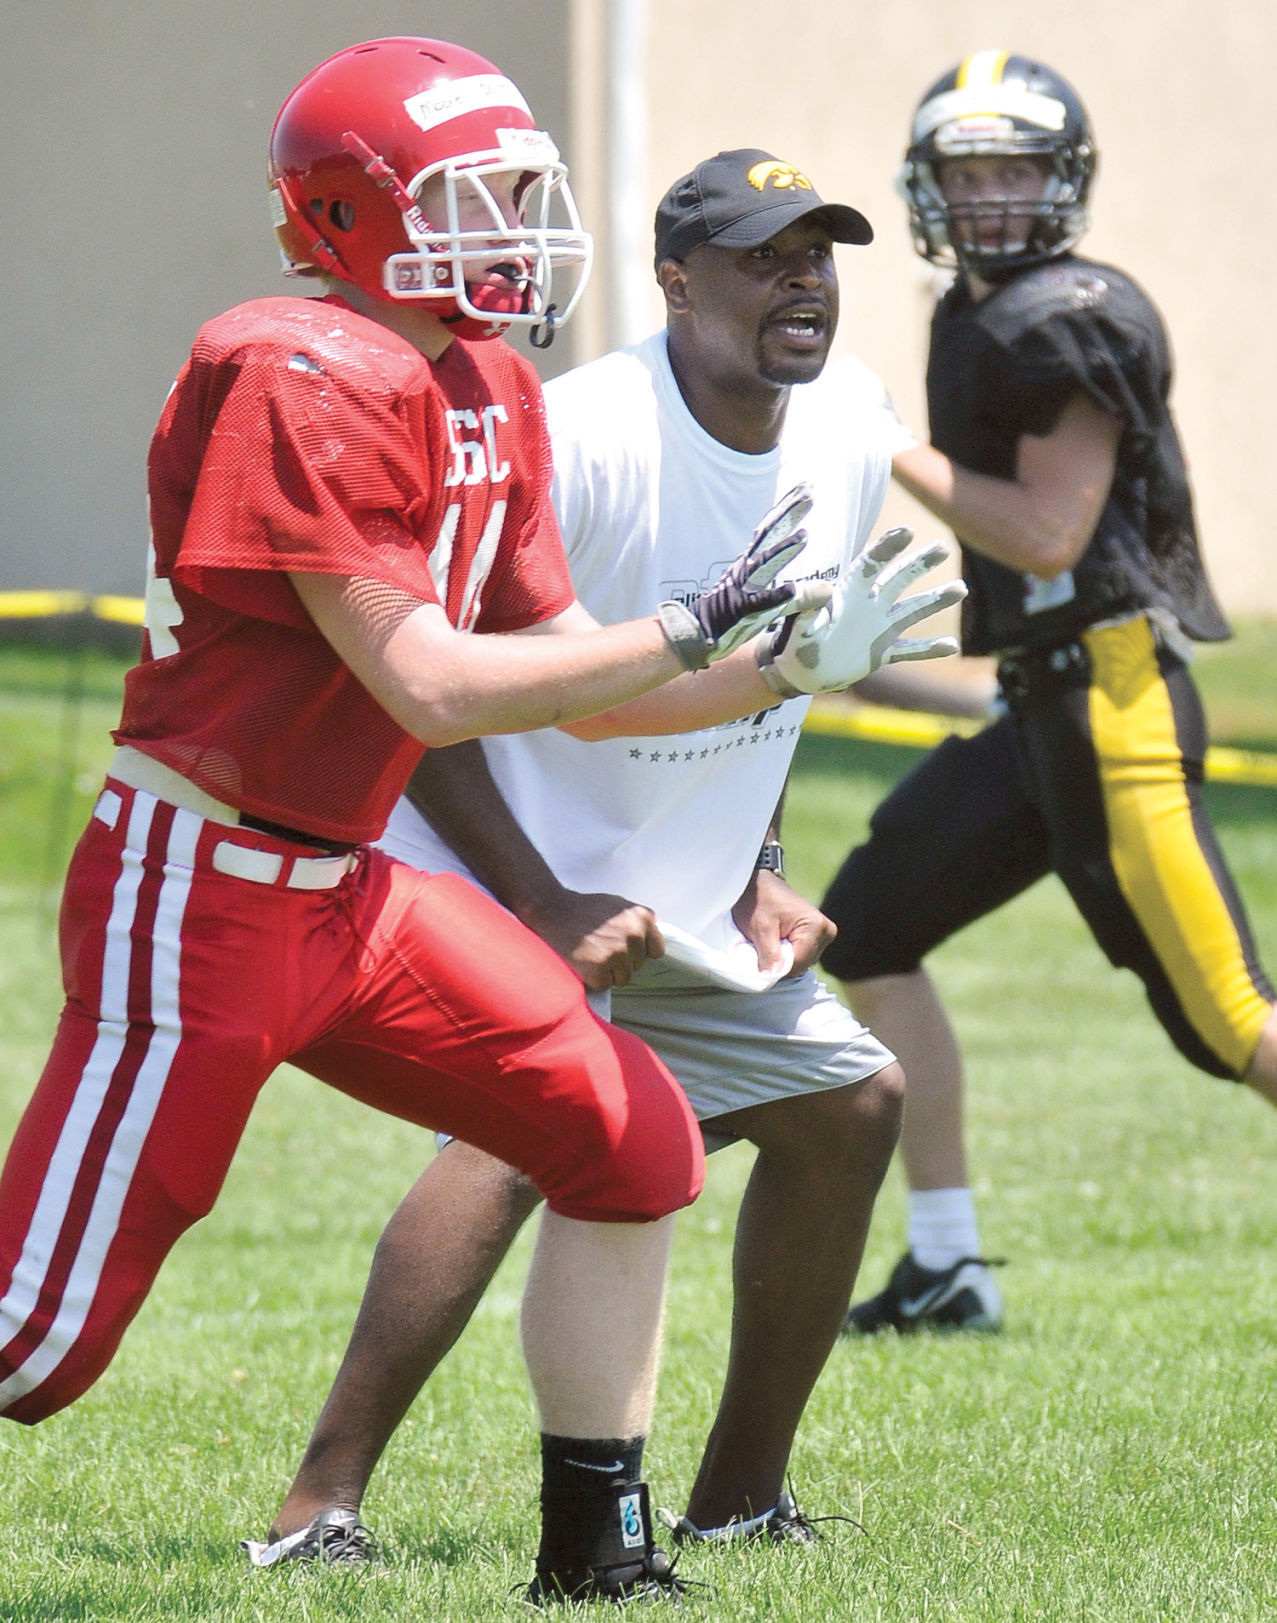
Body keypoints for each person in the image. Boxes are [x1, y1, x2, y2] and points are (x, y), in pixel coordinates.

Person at [0, 41, 853, 1606]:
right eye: (474, 197)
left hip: (346, 888)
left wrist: (778, 667)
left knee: (629, 1134)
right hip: (202, 889)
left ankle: (596, 1552)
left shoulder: (488, 385)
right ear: (347, 214)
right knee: (33, 1343)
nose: (514, 227)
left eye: (521, 193)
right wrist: (685, 622)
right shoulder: (296, 366)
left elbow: (576, 687)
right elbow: (432, 682)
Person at [254, 147, 966, 1565]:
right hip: (496, 869)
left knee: (848, 1104)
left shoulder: (845, 423)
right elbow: (420, 689)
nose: (802, 283)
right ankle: (315, 1510)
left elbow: (791, 665)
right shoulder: (576, 433)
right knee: (522, 1138)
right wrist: (539, 899)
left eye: (816, 255)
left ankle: (739, 1499)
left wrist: (756, 862)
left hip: (670, 894)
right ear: (675, 285)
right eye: (762, 258)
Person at [823, 50, 1277, 1335]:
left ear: (1061, 178)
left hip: (1110, 705)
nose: (989, 197)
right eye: (967, 172)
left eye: (1014, 169)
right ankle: (947, 1264)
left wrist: (881, 443)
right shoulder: (974, 311)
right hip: (1037, 705)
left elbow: (1045, 533)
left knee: (1225, 1022)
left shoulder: (1066, 316)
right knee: (867, 930)